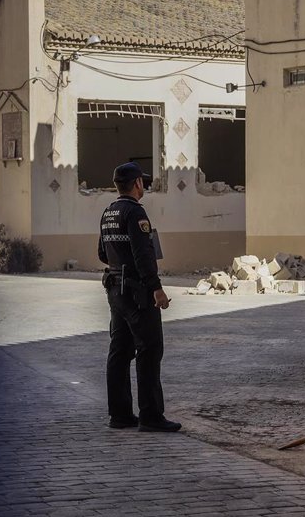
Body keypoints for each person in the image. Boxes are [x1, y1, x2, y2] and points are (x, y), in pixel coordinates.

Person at [98, 162, 181, 432]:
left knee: (120, 351)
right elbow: (143, 255)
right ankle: (151, 415)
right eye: (141, 182)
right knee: (150, 348)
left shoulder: (108, 212)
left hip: (115, 290)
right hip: (136, 293)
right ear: (136, 184)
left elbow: (102, 253)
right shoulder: (136, 214)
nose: (143, 185)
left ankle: (120, 415)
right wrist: (156, 288)